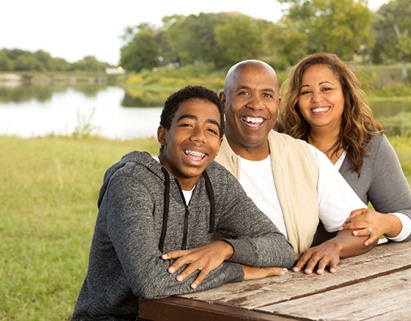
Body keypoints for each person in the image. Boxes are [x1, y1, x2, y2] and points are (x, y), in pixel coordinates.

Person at [71, 85, 295, 320]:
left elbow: (282, 249)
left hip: (180, 313)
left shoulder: (216, 182)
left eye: (210, 130)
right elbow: (149, 282)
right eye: (187, 125)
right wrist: (239, 271)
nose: (199, 136)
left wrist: (226, 249)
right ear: (162, 135)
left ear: (218, 146)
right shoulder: (131, 182)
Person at [215, 59, 375, 276]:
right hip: (223, 293)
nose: (256, 104)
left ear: (277, 104)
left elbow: (363, 229)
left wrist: (333, 246)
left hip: (297, 289)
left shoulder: (306, 157)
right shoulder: (201, 159)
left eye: (267, 95)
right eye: (244, 93)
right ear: (223, 100)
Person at [278, 52, 411, 246]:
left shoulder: (371, 146)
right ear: (296, 99)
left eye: (326, 89)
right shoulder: (279, 138)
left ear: (346, 93)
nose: (316, 99)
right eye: (306, 92)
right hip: (279, 268)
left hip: (342, 268)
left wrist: (383, 223)